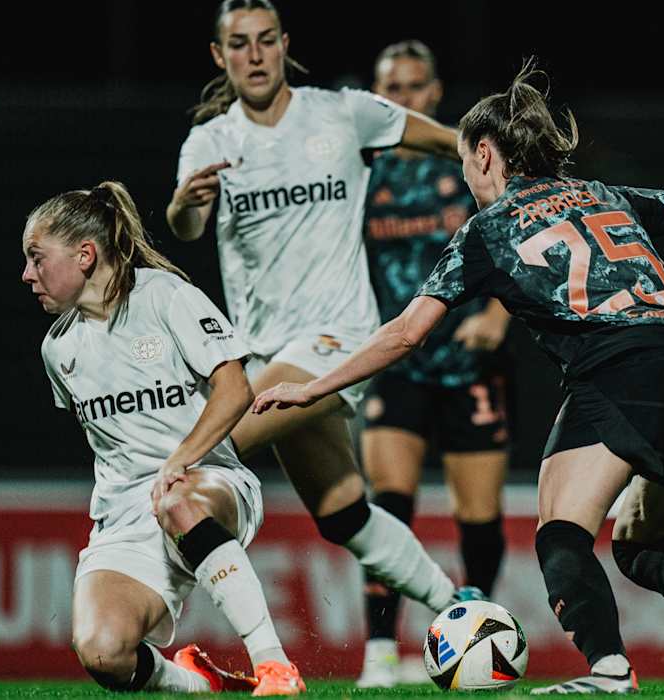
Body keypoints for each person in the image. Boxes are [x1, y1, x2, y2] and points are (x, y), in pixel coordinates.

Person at [252, 62, 664, 693]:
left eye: (465, 159)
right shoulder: (601, 194)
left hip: (622, 368)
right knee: (638, 543)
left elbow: (405, 333)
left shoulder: (488, 230)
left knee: (561, 532)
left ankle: (609, 671)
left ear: (485, 153)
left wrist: (312, 387)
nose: (464, 175)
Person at [167, 0, 479, 629]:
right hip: (262, 350)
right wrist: (182, 204)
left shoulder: (344, 112)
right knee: (342, 514)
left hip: (338, 338)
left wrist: (504, 172)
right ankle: (461, 608)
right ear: (219, 56)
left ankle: (170, 621)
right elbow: (188, 226)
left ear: (285, 44)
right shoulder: (210, 140)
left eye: (265, 40)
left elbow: (450, 142)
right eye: (239, 44)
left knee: (196, 453)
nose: (254, 55)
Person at [23, 181, 303, 695]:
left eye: (37, 258)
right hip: (128, 516)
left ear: (85, 254)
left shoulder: (165, 296)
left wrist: (179, 460)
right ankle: (202, 685)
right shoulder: (57, 349)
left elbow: (235, 389)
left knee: (177, 499)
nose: (27, 274)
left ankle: (274, 665)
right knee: (103, 653)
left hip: (207, 480)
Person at [354, 40, 513, 688]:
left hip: (468, 361)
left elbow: (514, 232)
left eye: (414, 87)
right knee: (387, 504)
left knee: (479, 519)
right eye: (391, 89)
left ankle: (474, 638)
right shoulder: (359, 171)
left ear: (436, 92)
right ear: (376, 96)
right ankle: (379, 652)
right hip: (394, 359)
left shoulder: (469, 163)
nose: (404, 99)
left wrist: (498, 314)